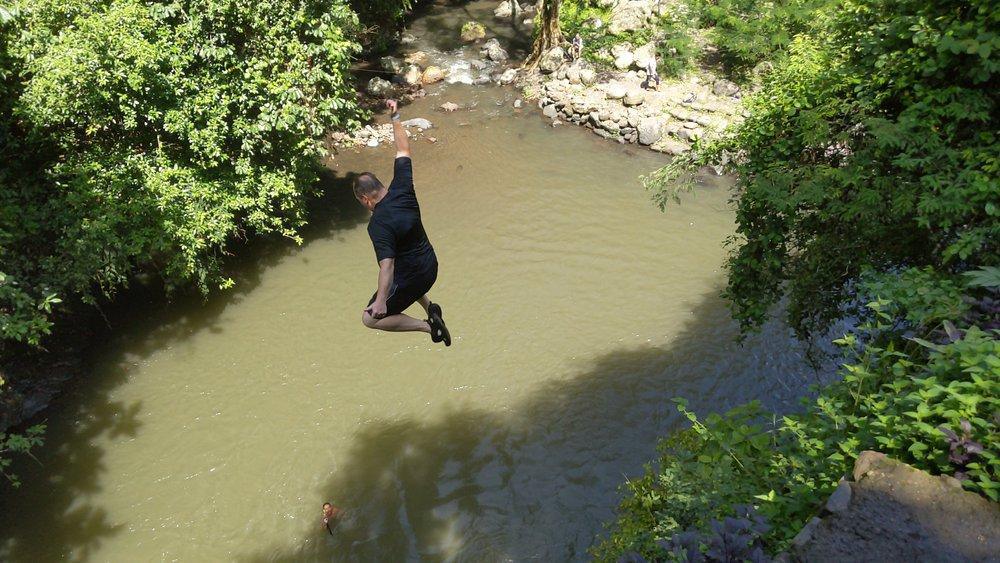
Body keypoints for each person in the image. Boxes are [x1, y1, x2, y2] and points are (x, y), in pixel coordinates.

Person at [354, 99, 451, 346]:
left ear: (365, 199)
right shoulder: (402, 187)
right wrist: (395, 117)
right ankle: (430, 307)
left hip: (416, 278)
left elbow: (386, 267)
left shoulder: (377, 225)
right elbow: (403, 149)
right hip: (431, 264)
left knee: (369, 319)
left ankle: (429, 327)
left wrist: (380, 302)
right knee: (402, 266)